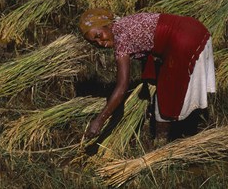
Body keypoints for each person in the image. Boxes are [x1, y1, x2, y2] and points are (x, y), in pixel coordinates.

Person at [79, 8, 216, 140]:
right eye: (94, 42)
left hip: (185, 40)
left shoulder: (121, 39)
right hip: (195, 28)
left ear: (108, 25)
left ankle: (161, 143)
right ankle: (201, 120)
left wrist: (100, 120)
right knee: (167, 86)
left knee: (166, 96)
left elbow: (122, 87)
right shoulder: (123, 24)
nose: (100, 43)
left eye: (99, 36)